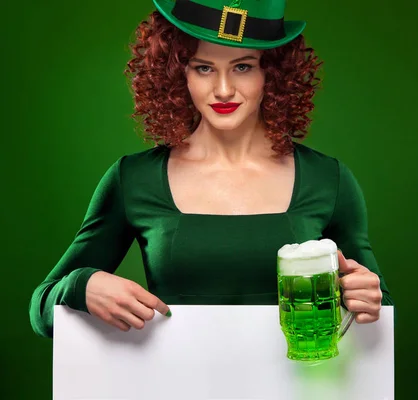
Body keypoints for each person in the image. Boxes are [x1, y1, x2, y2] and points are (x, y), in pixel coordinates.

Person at [28, 0, 394, 339]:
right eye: (204, 67)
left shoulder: (327, 179)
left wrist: (367, 295)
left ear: (273, 74)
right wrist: (80, 285)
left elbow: (379, 312)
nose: (223, 89)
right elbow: (41, 308)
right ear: (176, 74)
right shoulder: (133, 179)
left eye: (243, 67)